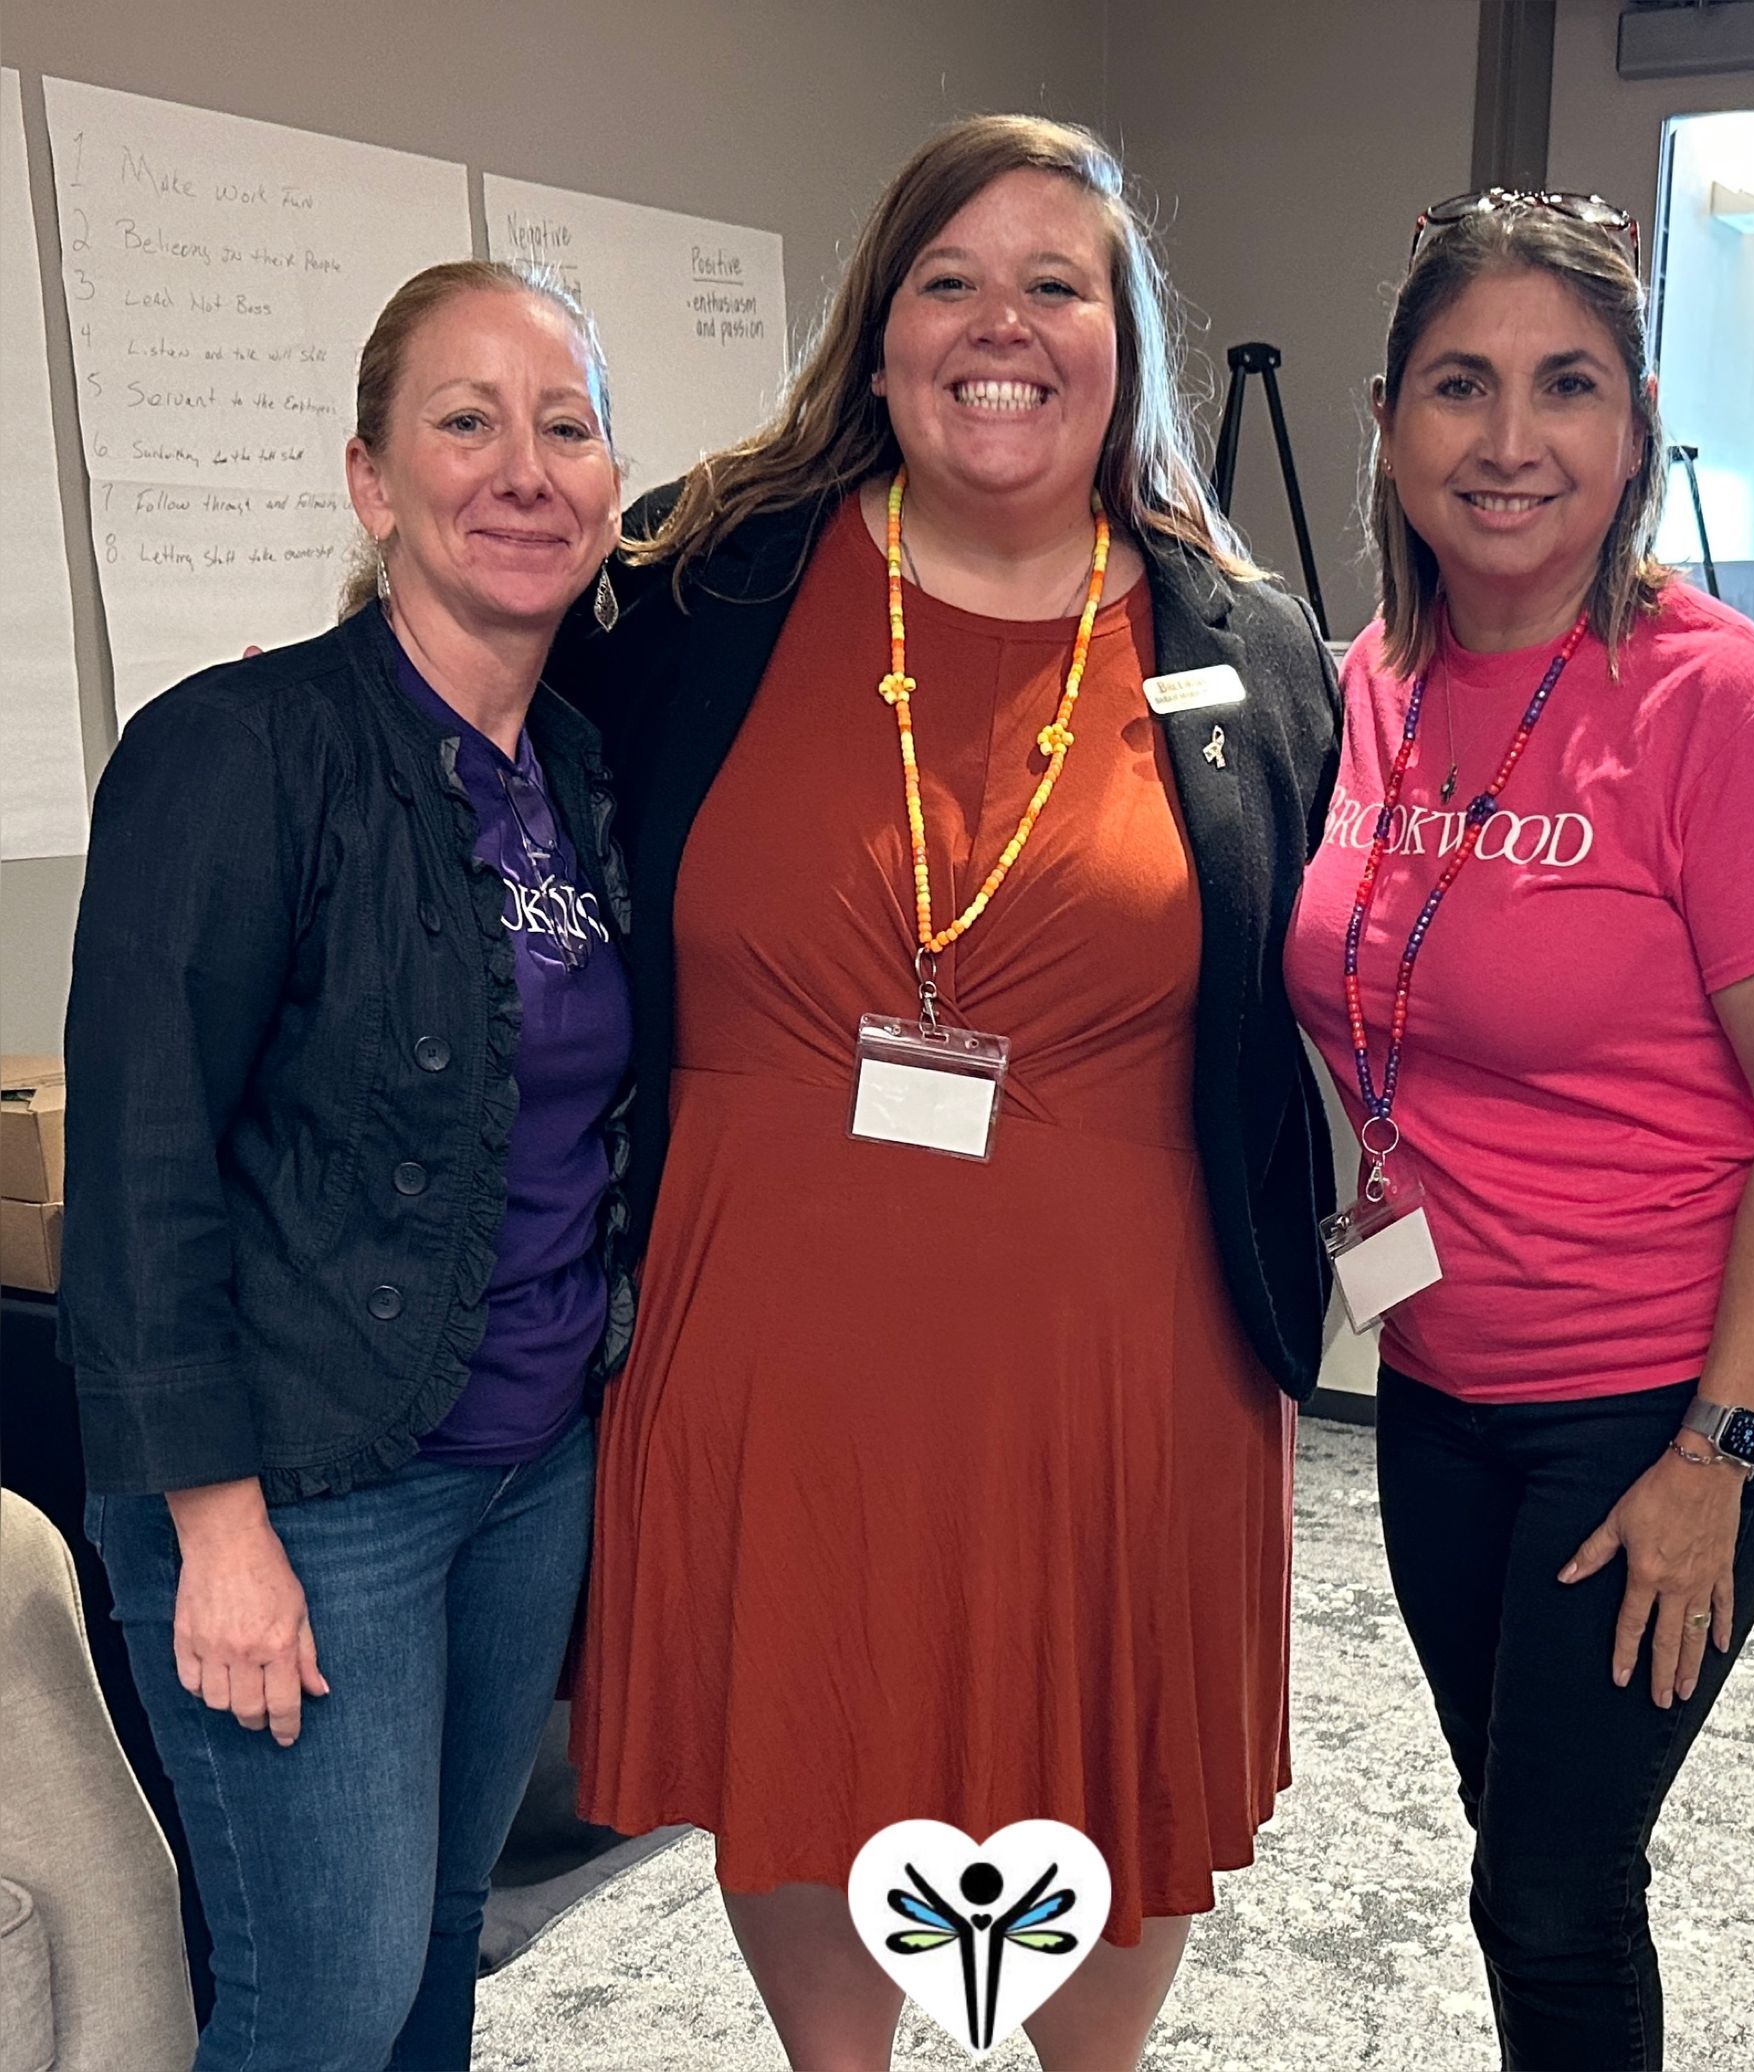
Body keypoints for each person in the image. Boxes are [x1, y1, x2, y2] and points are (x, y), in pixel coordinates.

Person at [548, 115, 1340, 2070]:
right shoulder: (694, 587)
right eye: (950, 281)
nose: (1004, 328)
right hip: (768, 1324)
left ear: (1124, 339)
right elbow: (504, 801)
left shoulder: (1242, 648)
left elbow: (1299, 977)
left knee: (1104, 1765)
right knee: (801, 1737)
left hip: (1120, 1353)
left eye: (1056, 284)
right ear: (878, 331)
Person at [1285, 190, 1754, 2070]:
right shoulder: (1370, 682)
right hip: (1444, 1387)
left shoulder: (1726, 707)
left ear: (1634, 429)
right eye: (1462, 385)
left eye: (1568, 387)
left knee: (1549, 1890)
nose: (1511, 440)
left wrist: (1718, 1449)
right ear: (1389, 420)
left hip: (1664, 1398)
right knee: (1518, 1848)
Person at [60, 258, 637, 2071]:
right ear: (372, 481)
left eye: (565, 426)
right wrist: (215, 1531)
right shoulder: (237, 753)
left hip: (526, 1469)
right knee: (321, 1998)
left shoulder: (587, 774)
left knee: (443, 1947)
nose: (521, 468)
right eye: (465, 423)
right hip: (309, 1497)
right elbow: (141, 1166)